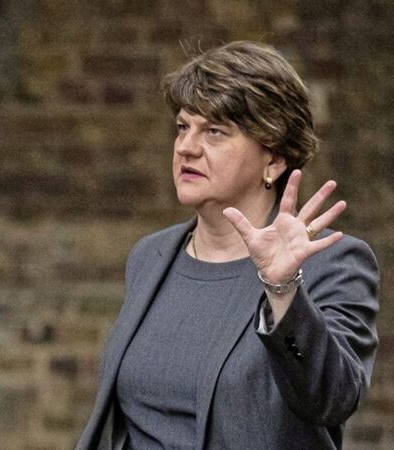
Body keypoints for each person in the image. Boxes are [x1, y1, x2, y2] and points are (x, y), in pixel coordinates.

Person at [77, 41, 379, 449]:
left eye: (215, 132)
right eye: (184, 127)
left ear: (273, 159)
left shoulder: (333, 261)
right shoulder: (151, 257)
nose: (186, 146)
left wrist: (283, 289)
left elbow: (333, 398)